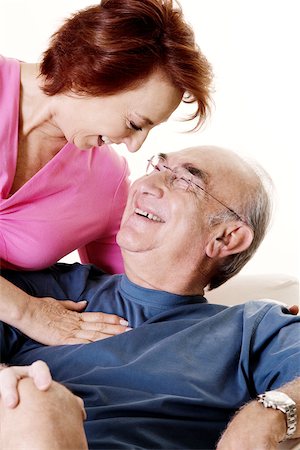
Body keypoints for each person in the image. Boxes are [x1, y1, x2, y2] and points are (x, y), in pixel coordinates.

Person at [1, 145, 299, 449]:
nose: (147, 186)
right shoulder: (45, 294)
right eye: (157, 168)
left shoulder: (253, 327)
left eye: (185, 181)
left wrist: (272, 415)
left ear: (226, 237)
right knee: (37, 400)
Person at [0, 0, 213, 345]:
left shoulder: (106, 182)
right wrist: (28, 311)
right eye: (133, 124)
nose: (134, 147)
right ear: (90, 76)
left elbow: (143, 289)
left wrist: (250, 326)